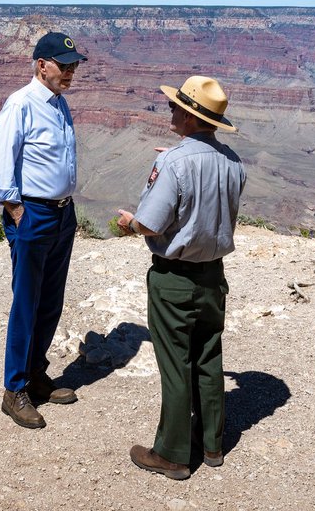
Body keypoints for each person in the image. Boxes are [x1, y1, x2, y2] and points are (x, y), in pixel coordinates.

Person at [116, 75, 246, 480]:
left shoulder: (173, 163)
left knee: (176, 364)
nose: (169, 111)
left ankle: (171, 455)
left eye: (175, 107)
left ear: (190, 117)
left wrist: (129, 222)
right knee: (209, 357)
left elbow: (151, 225)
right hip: (214, 277)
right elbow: (206, 194)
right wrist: (175, 162)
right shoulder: (233, 162)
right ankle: (211, 445)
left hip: (174, 279)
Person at [0, 31, 87, 429]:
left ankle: (35, 374)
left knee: (51, 301)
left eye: (74, 66)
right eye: (64, 66)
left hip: (63, 215)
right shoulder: (20, 104)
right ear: (41, 64)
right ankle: (14, 391)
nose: (70, 73)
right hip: (34, 215)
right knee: (27, 303)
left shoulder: (59, 104)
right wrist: (16, 211)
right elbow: (2, 162)